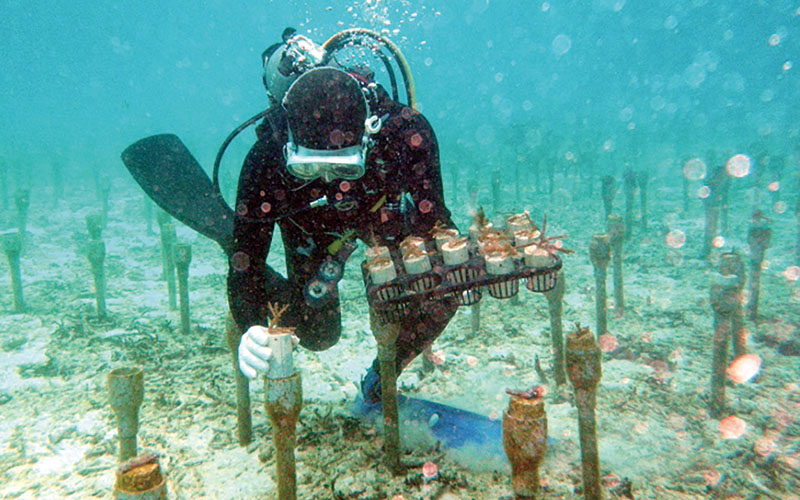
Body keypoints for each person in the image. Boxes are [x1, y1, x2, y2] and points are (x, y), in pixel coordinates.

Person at [231, 29, 458, 402]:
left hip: (380, 218)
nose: (330, 179)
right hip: (312, 227)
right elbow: (246, 265)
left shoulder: (403, 133)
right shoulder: (266, 160)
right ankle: (228, 230)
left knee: (438, 290)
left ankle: (381, 377)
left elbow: (437, 229)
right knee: (318, 334)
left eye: (346, 168)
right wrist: (251, 323)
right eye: (309, 170)